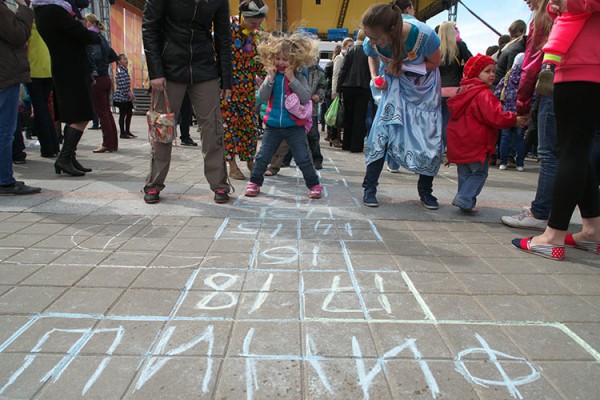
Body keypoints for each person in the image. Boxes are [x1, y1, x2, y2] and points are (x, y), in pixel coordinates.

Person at [512, 0, 600, 261]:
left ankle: (553, 237)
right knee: (578, 150)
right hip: (588, 67)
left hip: (581, 68)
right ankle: (592, 230)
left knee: (570, 151)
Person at [142, 0, 233, 204]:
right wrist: (155, 71)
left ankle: (220, 184)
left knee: (213, 127)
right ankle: (154, 184)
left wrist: (226, 79)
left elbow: (223, 37)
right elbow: (149, 28)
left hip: (204, 66)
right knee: (162, 126)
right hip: (169, 66)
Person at [361, 2, 442, 209]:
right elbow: (370, 53)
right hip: (393, 86)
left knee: (427, 139)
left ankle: (426, 191)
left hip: (422, 90)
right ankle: (369, 187)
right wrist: (375, 76)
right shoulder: (374, 37)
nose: (372, 41)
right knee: (382, 134)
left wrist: (403, 66)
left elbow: (434, 63)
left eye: (376, 37)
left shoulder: (425, 35)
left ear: (393, 30)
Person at [244, 32, 323, 199]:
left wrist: (292, 78)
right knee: (263, 156)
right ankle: (254, 182)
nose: (281, 62)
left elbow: (305, 97)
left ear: (294, 61)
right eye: (277, 58)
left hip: (294, 126)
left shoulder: (298, 76)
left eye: (285, 59)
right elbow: (263, 96)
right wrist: (270, 79)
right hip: (273, 125)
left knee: (303, 157)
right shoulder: (271, 76)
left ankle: (314, 184)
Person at [446, 54, 527, 213]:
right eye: (487, 71)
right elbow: (495, 116)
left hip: (459, 140)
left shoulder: (463, 91)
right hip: (476, 142)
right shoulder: (483, 93)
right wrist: (513, 119)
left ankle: (466, 202)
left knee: (465, 173)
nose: (492, 74)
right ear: (476, 73)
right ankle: (464, 198)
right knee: (479, 173)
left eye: (493, 71)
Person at [501, 0, 556, 231]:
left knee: (549, 153)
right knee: (577, 152)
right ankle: (584, 220)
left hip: (558, 86)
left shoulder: (548, 15)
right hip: (588, 84)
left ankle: (542, 212)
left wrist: (522, 105)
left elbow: (532, 65)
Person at [33, 0, 100, 177]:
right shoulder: (53, 11)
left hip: (65, 67)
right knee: (82, 114)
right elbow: (85, 36)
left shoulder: (44, 11)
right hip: (71, 69)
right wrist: (93, 31)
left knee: (74, 115)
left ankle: (69, 157)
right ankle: (64, 157)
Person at [222, 0, 268, 181]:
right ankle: (231, 164)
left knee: (249, 128)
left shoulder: (257, 35)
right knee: (229, 128)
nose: (256, 26)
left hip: (247, 90)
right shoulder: (227, 28)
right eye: (252, 23)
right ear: (242, 16)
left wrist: (268, 74)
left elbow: (258, 62)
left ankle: (250, 160)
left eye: (258, 23)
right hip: (227, 89)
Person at [0, 0, 41, 195]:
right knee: (4, 131)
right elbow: (17, 35)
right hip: (4, 74)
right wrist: (24, 8)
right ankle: (4, 180)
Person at [535, 0, 591, 95]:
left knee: (554, 46)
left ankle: (548, 68)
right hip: (581, 66)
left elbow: (552, 9)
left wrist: (556, 4)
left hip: (558, 35)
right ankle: (548, 70)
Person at [85, 13, 119, 154]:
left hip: (97, 78)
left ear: (89, 23)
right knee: (107, 112)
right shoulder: (102, 38)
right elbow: (113, 55)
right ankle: (112, 142)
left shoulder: (91, 38)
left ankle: (107, 143)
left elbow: (93, 56)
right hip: (105, 77)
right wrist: (104, 64)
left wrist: (94, 67)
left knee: (102, 112)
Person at [26, 20, 59, 158]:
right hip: (48, 71)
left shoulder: (28, 27)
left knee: (39, 109)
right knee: (44, 108)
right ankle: (54, 145)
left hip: (34, 71)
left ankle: (47, 147)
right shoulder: (46, 25)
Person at [438, 20, 472, 152]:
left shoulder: (436, 48)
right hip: (454, 91)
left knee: (438, 121)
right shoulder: (460, 46)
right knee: (450, 122)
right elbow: (472, 62)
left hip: (437, 91)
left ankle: (437, 148)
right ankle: (446, 148)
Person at [336, 30, 372, 153]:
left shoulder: (350, 51)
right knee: (360, 117)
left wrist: (338, 88)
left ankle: (346, 143)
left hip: (348, 87)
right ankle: (356, 145)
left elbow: (343, 70)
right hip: (364, 87)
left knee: (348, 115)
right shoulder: (369, 52)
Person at [495, 53, 527, 171]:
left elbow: (497, 93)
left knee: (505, 137)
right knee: (519, 138)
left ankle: (503, 162)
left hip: (507, 111)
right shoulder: (526, 78)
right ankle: (520, 163)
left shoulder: (507, 77)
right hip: (521, 111)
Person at [330, 38, 353, 148]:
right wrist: (335, 91)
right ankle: (334, 137)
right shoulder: (340, 57)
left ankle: (339, 137)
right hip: (339, 90)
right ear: (344, 47)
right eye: (349, 46)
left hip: (345, 90)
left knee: (342, 115)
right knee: (337, 114)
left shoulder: (350, 57)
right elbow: (336, 75)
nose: (350, 48)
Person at [493, 20, 527, 86]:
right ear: (523, 31)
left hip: (497, 82)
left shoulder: (507, 46)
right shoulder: (517, 48)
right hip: (500, 84)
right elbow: (510, 74)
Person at [113, 53, 136, 139]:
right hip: (121, 97)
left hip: (126, 96)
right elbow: (123, 85)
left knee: (129, 113)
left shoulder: (125, 70)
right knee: (122, 115)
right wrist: (130, 94)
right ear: (119, 62)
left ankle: (127, 131)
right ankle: (122, 133)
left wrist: (130, 94)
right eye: (124, 59)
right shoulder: (120, 71)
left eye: (126, 59)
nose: (126, 60)